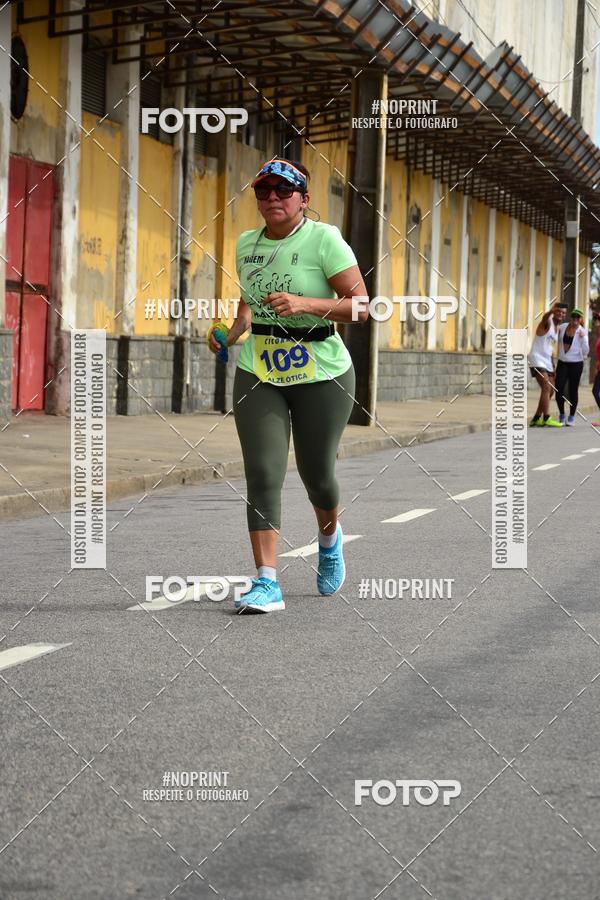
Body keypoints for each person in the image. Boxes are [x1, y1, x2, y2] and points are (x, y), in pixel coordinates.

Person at [208, 159, 368, 613]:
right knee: (262, 472)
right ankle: (266, 582)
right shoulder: (247, 244)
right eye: (264, 191)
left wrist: (305, 304)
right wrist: (231, 333)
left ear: (304, 199)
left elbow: (362, 308)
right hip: (260, 370)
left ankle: (329, 541)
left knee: (317, 474)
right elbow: (248, 305)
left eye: (284, 190)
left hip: (322, 372)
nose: (273, 198)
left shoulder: (324, 239)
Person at [528, 302, 567, 427]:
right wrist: (551, 311)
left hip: (547, 361)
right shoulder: (547, 322)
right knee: (546, 386)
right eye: (558, 311)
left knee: (550, 391)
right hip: (536, 358)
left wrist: (553, 367)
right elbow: (545, 317)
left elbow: (549, 348)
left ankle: (536, 418)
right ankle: (546, 417)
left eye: (563, 313)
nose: (561, 314)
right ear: (554, 311)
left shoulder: (557, 328)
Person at [555, 309, 589, 425]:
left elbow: (586, 352)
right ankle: (562, 414)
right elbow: (554, 337)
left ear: (580, 320)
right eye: (573, 317)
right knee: (558, 388)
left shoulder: (582, 332)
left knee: (573, 390)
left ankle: (571, 416)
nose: (575, 319)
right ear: (570, 317)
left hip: (576, 364)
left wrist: (583, 338)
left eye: (577, 318)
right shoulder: (563, 327)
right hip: (562, 362)